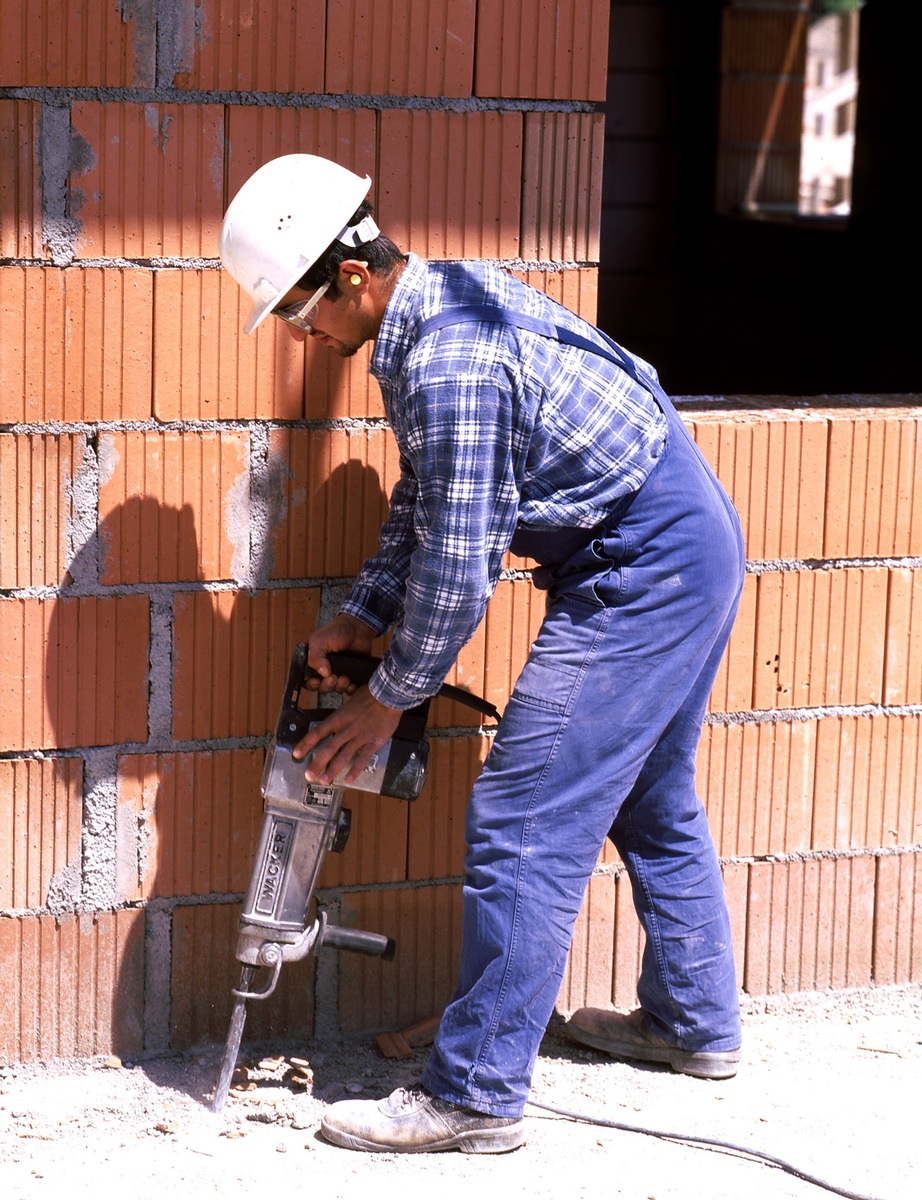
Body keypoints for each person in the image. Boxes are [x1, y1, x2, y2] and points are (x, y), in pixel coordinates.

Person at [219, 154, 746, 1154]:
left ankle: (474, 1094)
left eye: (299, 310)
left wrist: (389, 698)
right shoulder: (435, 308)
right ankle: (693, 1025)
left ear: (351, 276)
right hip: (682, 532)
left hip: (645, 563)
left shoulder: (448, 357)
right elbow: (430, 498)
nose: (301, 333)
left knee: (522, 814)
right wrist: (364, 612)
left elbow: (462, 571)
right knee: (650, 794)